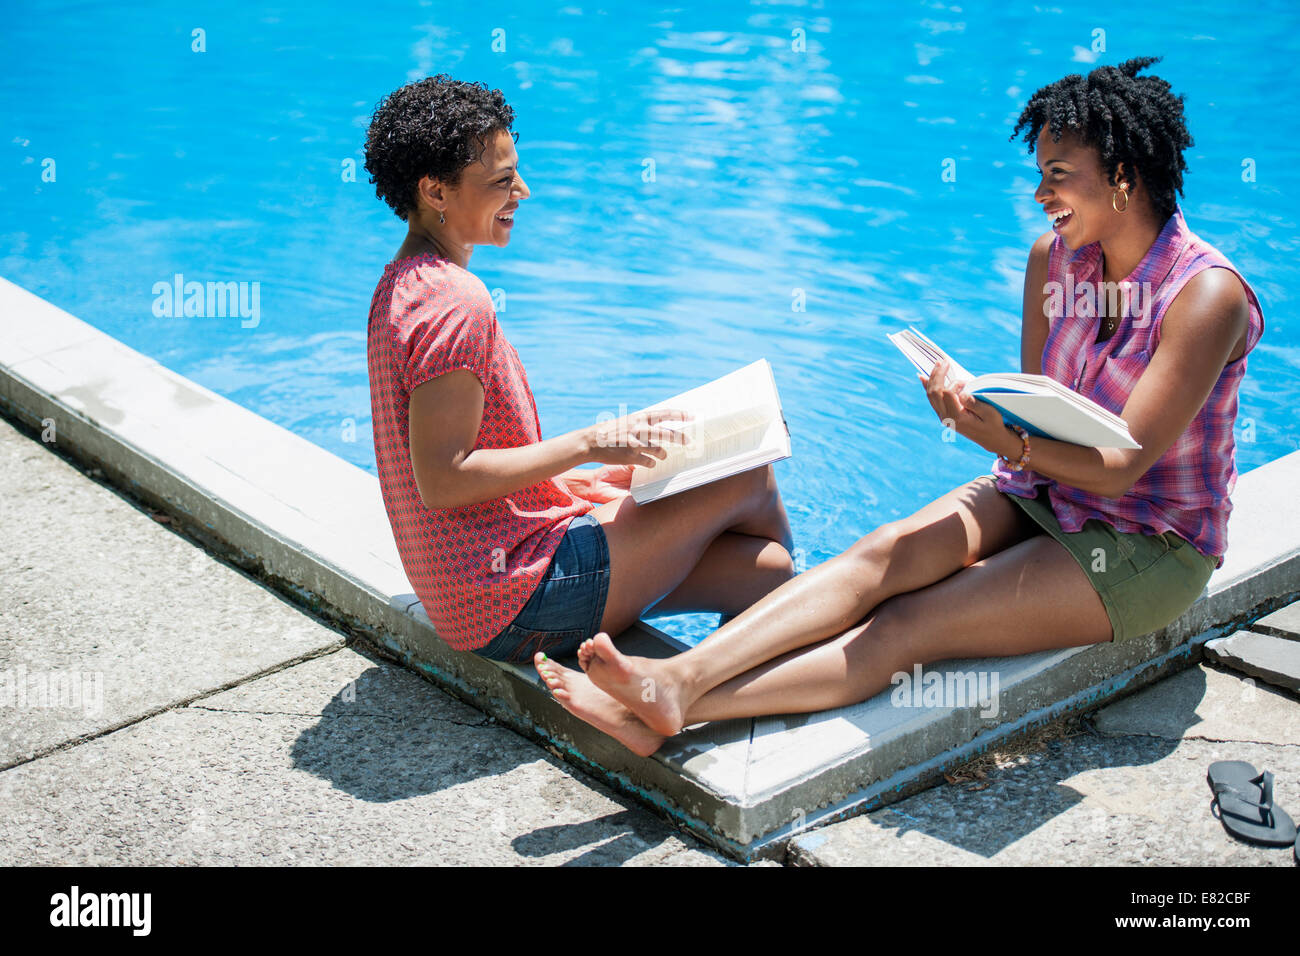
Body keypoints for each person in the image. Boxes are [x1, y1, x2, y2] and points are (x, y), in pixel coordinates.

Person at [535, 56, 1265, 758]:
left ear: (1125, 179)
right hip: (1041, 489)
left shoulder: (1205, 297)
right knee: (882, 553)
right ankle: (677, 676)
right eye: (1038, 174)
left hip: (1144, 540)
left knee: (910, 623)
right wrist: (979, 415)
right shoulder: (1056, 259)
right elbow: (1041, 414)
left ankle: (679, 705)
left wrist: (1007, 444)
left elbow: (1119, 467)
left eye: (1058, 176)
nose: (1041, 194)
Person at [365, 75, 795, 669]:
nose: (523, 190)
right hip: (512, 601)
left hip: (475, 594)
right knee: (747, 478)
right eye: (500, 181)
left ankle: (726, 673)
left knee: (765, 571)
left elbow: (450, 465)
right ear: (435, 191)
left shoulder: (401, 283)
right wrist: (591, 445)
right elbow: (443, 478)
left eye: (516, 170)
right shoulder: (457, 302)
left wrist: (560, 489)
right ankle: (710, 681)